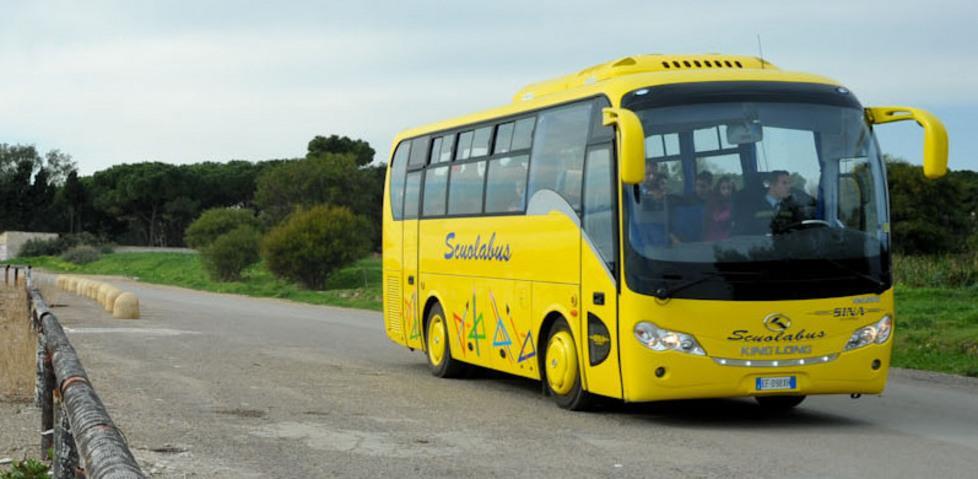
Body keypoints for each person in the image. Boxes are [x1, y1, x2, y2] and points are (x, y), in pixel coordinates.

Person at [733, 170, 798, 235]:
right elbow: (744, 233)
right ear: (771, 184)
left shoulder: (791, 207)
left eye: (789, 183)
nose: (789, 187)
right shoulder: (752, 207)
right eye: (784, 183)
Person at [705, 175, 736, 240]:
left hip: (731, 241)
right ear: (719, 189)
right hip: (714, 241)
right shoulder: (713, 204)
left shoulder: (736, 204)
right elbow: (717, 219)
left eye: (729, 188)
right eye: (723, 188)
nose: (726, 191)